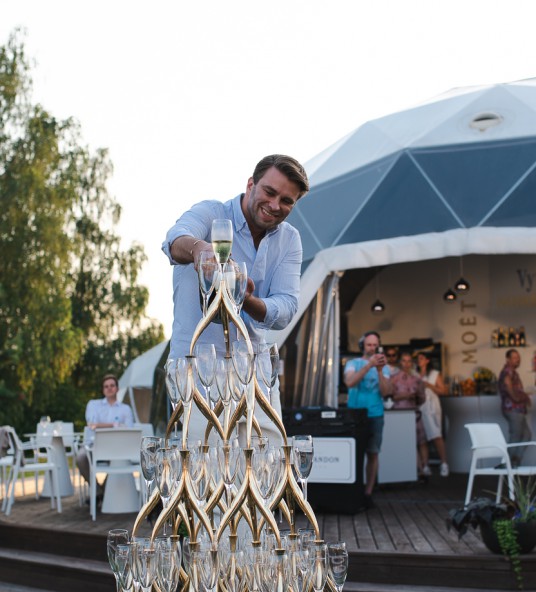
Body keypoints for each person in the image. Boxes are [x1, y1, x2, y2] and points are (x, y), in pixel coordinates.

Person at [161, 154, 309, 444]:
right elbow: (174, 240)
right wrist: (199, 249)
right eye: (269, 192)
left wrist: (245, 298)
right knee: (206, 466)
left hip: (256, 372)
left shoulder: (290, 239)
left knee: (269, 461)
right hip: (198, 370)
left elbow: (286, 308)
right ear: (251, 184)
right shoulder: (211, 213)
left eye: (287, 201)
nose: (275, 205)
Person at [344, 331, 392, 509]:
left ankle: (368, 493)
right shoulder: (353, 363)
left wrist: (379, 371)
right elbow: (350, 382)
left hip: (375, 414)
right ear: (362, 346)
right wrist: (368, 365)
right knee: (353, 454)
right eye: (369, 344)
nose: (372, 348)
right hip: (355, 415)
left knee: (373, 453)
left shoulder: (384, 367)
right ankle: (353, 490)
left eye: (375, 345)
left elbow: (386, 392)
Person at [76, 374, 134, 492]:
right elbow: (92, 425)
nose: (109, 388)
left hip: (117, 448)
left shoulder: (125, 409)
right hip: (94, 446)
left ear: (117, 388)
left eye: (112, 385)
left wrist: (100, 425)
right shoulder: (93, 405)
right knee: (81, 458)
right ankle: (98, 491)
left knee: (119, 460)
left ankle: (105, 491)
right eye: (106, 386)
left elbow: (129, 430)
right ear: (103, 390)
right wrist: (115, 425)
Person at [391, 352, 427, 476]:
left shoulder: (416, 379)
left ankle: (424, 468)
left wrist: (416, 398)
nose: (406, 364)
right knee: (406, 442)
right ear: (400, 363)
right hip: (399, 413)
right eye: (404, 361)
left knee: (421, 441)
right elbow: (390, 396)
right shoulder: (394, 378)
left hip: (414, 412)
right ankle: (414, 470)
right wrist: (405, 396)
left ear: (412, 363)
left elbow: (422, 398)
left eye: (409, 361)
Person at [416, 351, 450, 477]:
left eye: (421, 358)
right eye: (418, 358)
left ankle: (444, 463)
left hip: (431, 407)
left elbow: (443, 391)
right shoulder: (415, 374)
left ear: (427, 360)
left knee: (436, 435)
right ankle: (425, 465)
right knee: (422, 438)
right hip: (419, 407)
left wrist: (429, 385)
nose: (419, 360)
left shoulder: (434, 374)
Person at [498, 348, 532, 466]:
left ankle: (515, 461)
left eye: (518, 357)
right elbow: (507, 384)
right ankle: (506, 464)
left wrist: (524, 397)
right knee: (516, 436)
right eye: (514, 358)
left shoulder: (513, 372)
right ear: (508, 359)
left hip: (518, 410)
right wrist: (516, 398)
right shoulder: (508, 371)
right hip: (513, 409)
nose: (518, 360)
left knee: (526, 435)